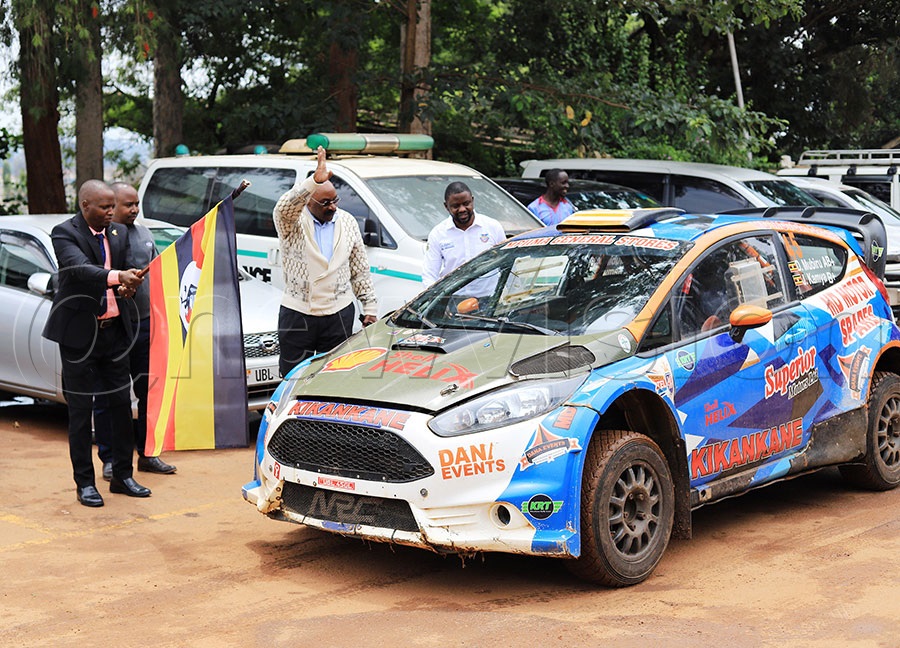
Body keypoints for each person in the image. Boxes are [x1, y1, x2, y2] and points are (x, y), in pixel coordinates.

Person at [43, 180, 151, 507]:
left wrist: (126, 286)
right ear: (85, 205)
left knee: (121, 406)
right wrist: (118, 277)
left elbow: (119, 275)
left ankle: (122, 475)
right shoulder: (65, 233)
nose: (110, 212)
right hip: (79, 337)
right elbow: (79, 269)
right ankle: (85, 483)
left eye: (112, 206)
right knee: (81, 411)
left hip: (114, 332)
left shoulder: (117, 233)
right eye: (104, 207)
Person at [93, 182, 176, 481]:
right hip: (114, 329)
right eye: (127, 205)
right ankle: (110, 458)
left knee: (148, 393)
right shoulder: (103, 239)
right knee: (109, 397)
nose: (134, 209)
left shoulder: (144, 233)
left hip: (144, 326)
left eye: (136, 204)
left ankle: (148, 454)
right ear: (110, 207)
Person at [273, 145, 378, 377]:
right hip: (298, 315)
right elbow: (283, 208)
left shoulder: (347, 221)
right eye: (325, 203)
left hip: (338, 314)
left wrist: (369, 307)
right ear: (308, 201)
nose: (332, 206)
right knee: (294, 377)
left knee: (334, 376)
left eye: (335, 200)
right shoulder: (292, 223)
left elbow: (359, 269)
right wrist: (313, 181)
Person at [422, 181, 506, 286]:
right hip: (453, 295)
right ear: (446, 206)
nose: (462, 209)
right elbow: (429, 275)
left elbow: (506, 264)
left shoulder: (493, 227)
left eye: (466, 204)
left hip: (489, 295)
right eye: (456, 206)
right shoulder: (438, 234)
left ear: (472, 200)